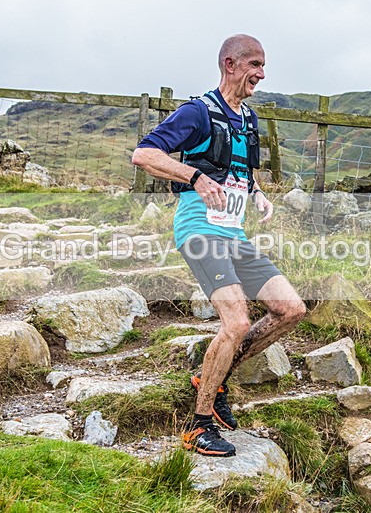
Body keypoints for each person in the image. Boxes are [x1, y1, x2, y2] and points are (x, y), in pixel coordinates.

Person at [131, 34, 306, 457]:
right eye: (255, 65)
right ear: (230, 64)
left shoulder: (248, 118)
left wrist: (256, 191)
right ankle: (199, 424)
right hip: (199, 230)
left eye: (263, 67)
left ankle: (214, 375)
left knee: (291, 309)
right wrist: (193, 177)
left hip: (234, 235)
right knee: (237, 322)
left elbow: (238, 168)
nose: (261, 74)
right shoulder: (198, 112)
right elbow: (144, 154)